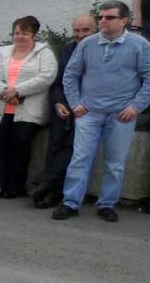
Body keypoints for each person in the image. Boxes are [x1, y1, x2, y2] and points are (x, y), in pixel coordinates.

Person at [53, 1, 150, 223]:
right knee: (80, 157)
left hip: (121, 114)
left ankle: (106, 204)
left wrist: (135, 106)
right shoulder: (88, 44)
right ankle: (70, 202)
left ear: (124, 21)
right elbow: (70, 75)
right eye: (101, 17)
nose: (103, 20)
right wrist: (76, 103)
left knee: (115, 162)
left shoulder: (138, 45)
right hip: (89, 113)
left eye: (110, 17)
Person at [0, 16, 57, 200]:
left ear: (34, 34)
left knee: (20, 146)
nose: (20, 36)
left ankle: (14, 186)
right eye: (16, 33)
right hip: (0, 108)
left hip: (27, 110)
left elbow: (46, 77)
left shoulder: (44, 53)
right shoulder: (3, 53)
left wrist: (17, 91)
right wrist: (3, 92)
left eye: (25, 33)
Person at [31, 13, 99, 209]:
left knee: (72, 150)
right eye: (77, 30)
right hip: (64, 107)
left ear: (95, 30)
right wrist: (58, 103)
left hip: (89, 109)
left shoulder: (103, 51)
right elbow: (56, 82)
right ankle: (50, 189)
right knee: (55, 146)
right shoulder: (65, 51)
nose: (80, 34)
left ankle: (51, 188)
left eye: (86, 30)